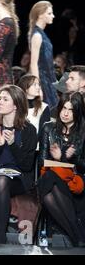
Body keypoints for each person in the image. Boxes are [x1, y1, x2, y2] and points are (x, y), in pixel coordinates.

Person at [0, 85, 37, 244]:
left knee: (2, 180)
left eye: (5, 99)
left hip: (18, 178)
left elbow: (27, 166)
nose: (0, 102)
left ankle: (1, 234)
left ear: (16, 105)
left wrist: (12, 144)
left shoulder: (28, 130)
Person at [37, 92, 85, 247]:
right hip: (52, 177)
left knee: (49, 191)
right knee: (49, 179)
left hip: (76, 181)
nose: (65, 113)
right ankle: (77, 235)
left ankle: (75, 235)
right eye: (63, 108)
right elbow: (41, 162)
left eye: (70, 110)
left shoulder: (83, 132)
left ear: (77, 111)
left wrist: (67, 159)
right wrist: (56, 160)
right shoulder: (48, 128)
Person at [28, 1, 58, 111]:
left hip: (49, 80)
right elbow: (34, 63)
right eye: (49, 13)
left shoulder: (41, 34)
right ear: (40, 15)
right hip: (43, 81)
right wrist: (37, 87)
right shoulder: (37, 35)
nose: (53, 16)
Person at [17, 74, 50, 141]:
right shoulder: (16, 106)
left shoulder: (44, 107)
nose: (38, 87)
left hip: (36, 147)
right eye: (34, 85)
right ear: (25, 88)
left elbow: (43, 133)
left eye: (38, 85)